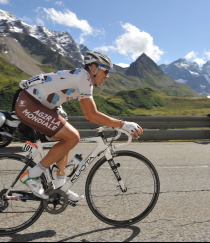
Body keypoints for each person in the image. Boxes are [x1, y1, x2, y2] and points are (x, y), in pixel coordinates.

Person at [14, 51, 144, 202]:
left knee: (66, 141)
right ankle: (32, 176)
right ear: (94, 67)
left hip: (39, 104)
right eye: (106, 70)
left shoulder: (82, 77)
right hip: (29, 104)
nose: (108, 75)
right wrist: (123, 124)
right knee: (72, 137)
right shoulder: (84, 77)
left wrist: (117, 124)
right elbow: (91, 115)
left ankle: (60, 187)